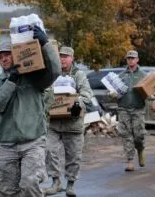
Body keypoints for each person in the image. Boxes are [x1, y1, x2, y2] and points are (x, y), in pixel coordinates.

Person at [0, 26, 61, 197]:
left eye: (7, 55)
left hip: (32, 141)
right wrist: (11, 80)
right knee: (7, 190)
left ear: (16, 54)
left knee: (29, 184)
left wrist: (45, 43)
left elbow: (55, 70)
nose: (4, 60)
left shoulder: (34, 78)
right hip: (7, 144)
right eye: (0, 58)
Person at [44, 47, 93, 197]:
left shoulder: (79, 75)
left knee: (73, 155)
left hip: (73, 123)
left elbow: (87, 95)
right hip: (53, 122)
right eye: (60, 56)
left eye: (66, 56)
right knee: (49, 151)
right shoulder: (52, 74)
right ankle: (56, 182)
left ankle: (70, 184)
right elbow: (44, 91)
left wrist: (77, 103)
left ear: (72, 58)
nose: (63, 59)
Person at [113, 50, 147, 172]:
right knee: (126, 135)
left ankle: (141, 148)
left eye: (133, 58)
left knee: (138, 135)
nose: (131, 60)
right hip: (123, 108)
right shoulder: (121, 76)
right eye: (128, 58)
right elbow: (113, 91)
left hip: (138, 109)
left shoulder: (143, 75)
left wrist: (151, 95)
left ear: (137, 60)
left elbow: (149, 90)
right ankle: (129, 160)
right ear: (126, 60)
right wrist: (112, 94)